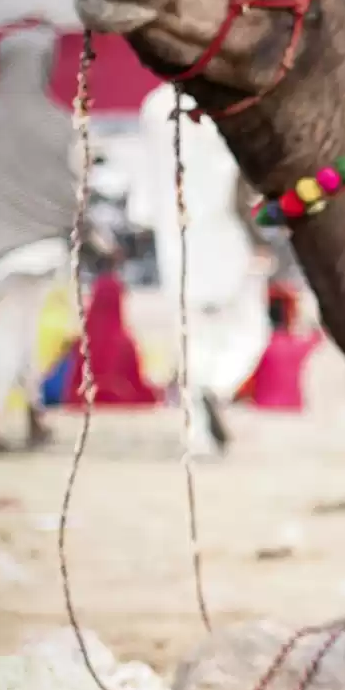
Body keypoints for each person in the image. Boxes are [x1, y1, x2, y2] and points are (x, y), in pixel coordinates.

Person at [0, 26, 109, 451]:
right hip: (45, 247)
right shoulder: (60, 123)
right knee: (17, 333)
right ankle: (27, 416)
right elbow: (74, 191)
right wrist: (88, 236)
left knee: (4, 333)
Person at [133, 84, 270, 457]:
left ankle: (198, 431)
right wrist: (258, 236)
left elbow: (144, 182)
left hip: (176, 236)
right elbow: (240, 179)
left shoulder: (155, 105)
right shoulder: (224, 99)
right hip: (225, 233)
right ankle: (219, 385)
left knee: (191, 335)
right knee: (248, 326)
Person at [62, 272, 160, 407]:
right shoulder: (125, 344)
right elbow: (137, 385)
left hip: (86, 406)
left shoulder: (82, 343)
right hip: (119, 406)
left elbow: (72, 387)